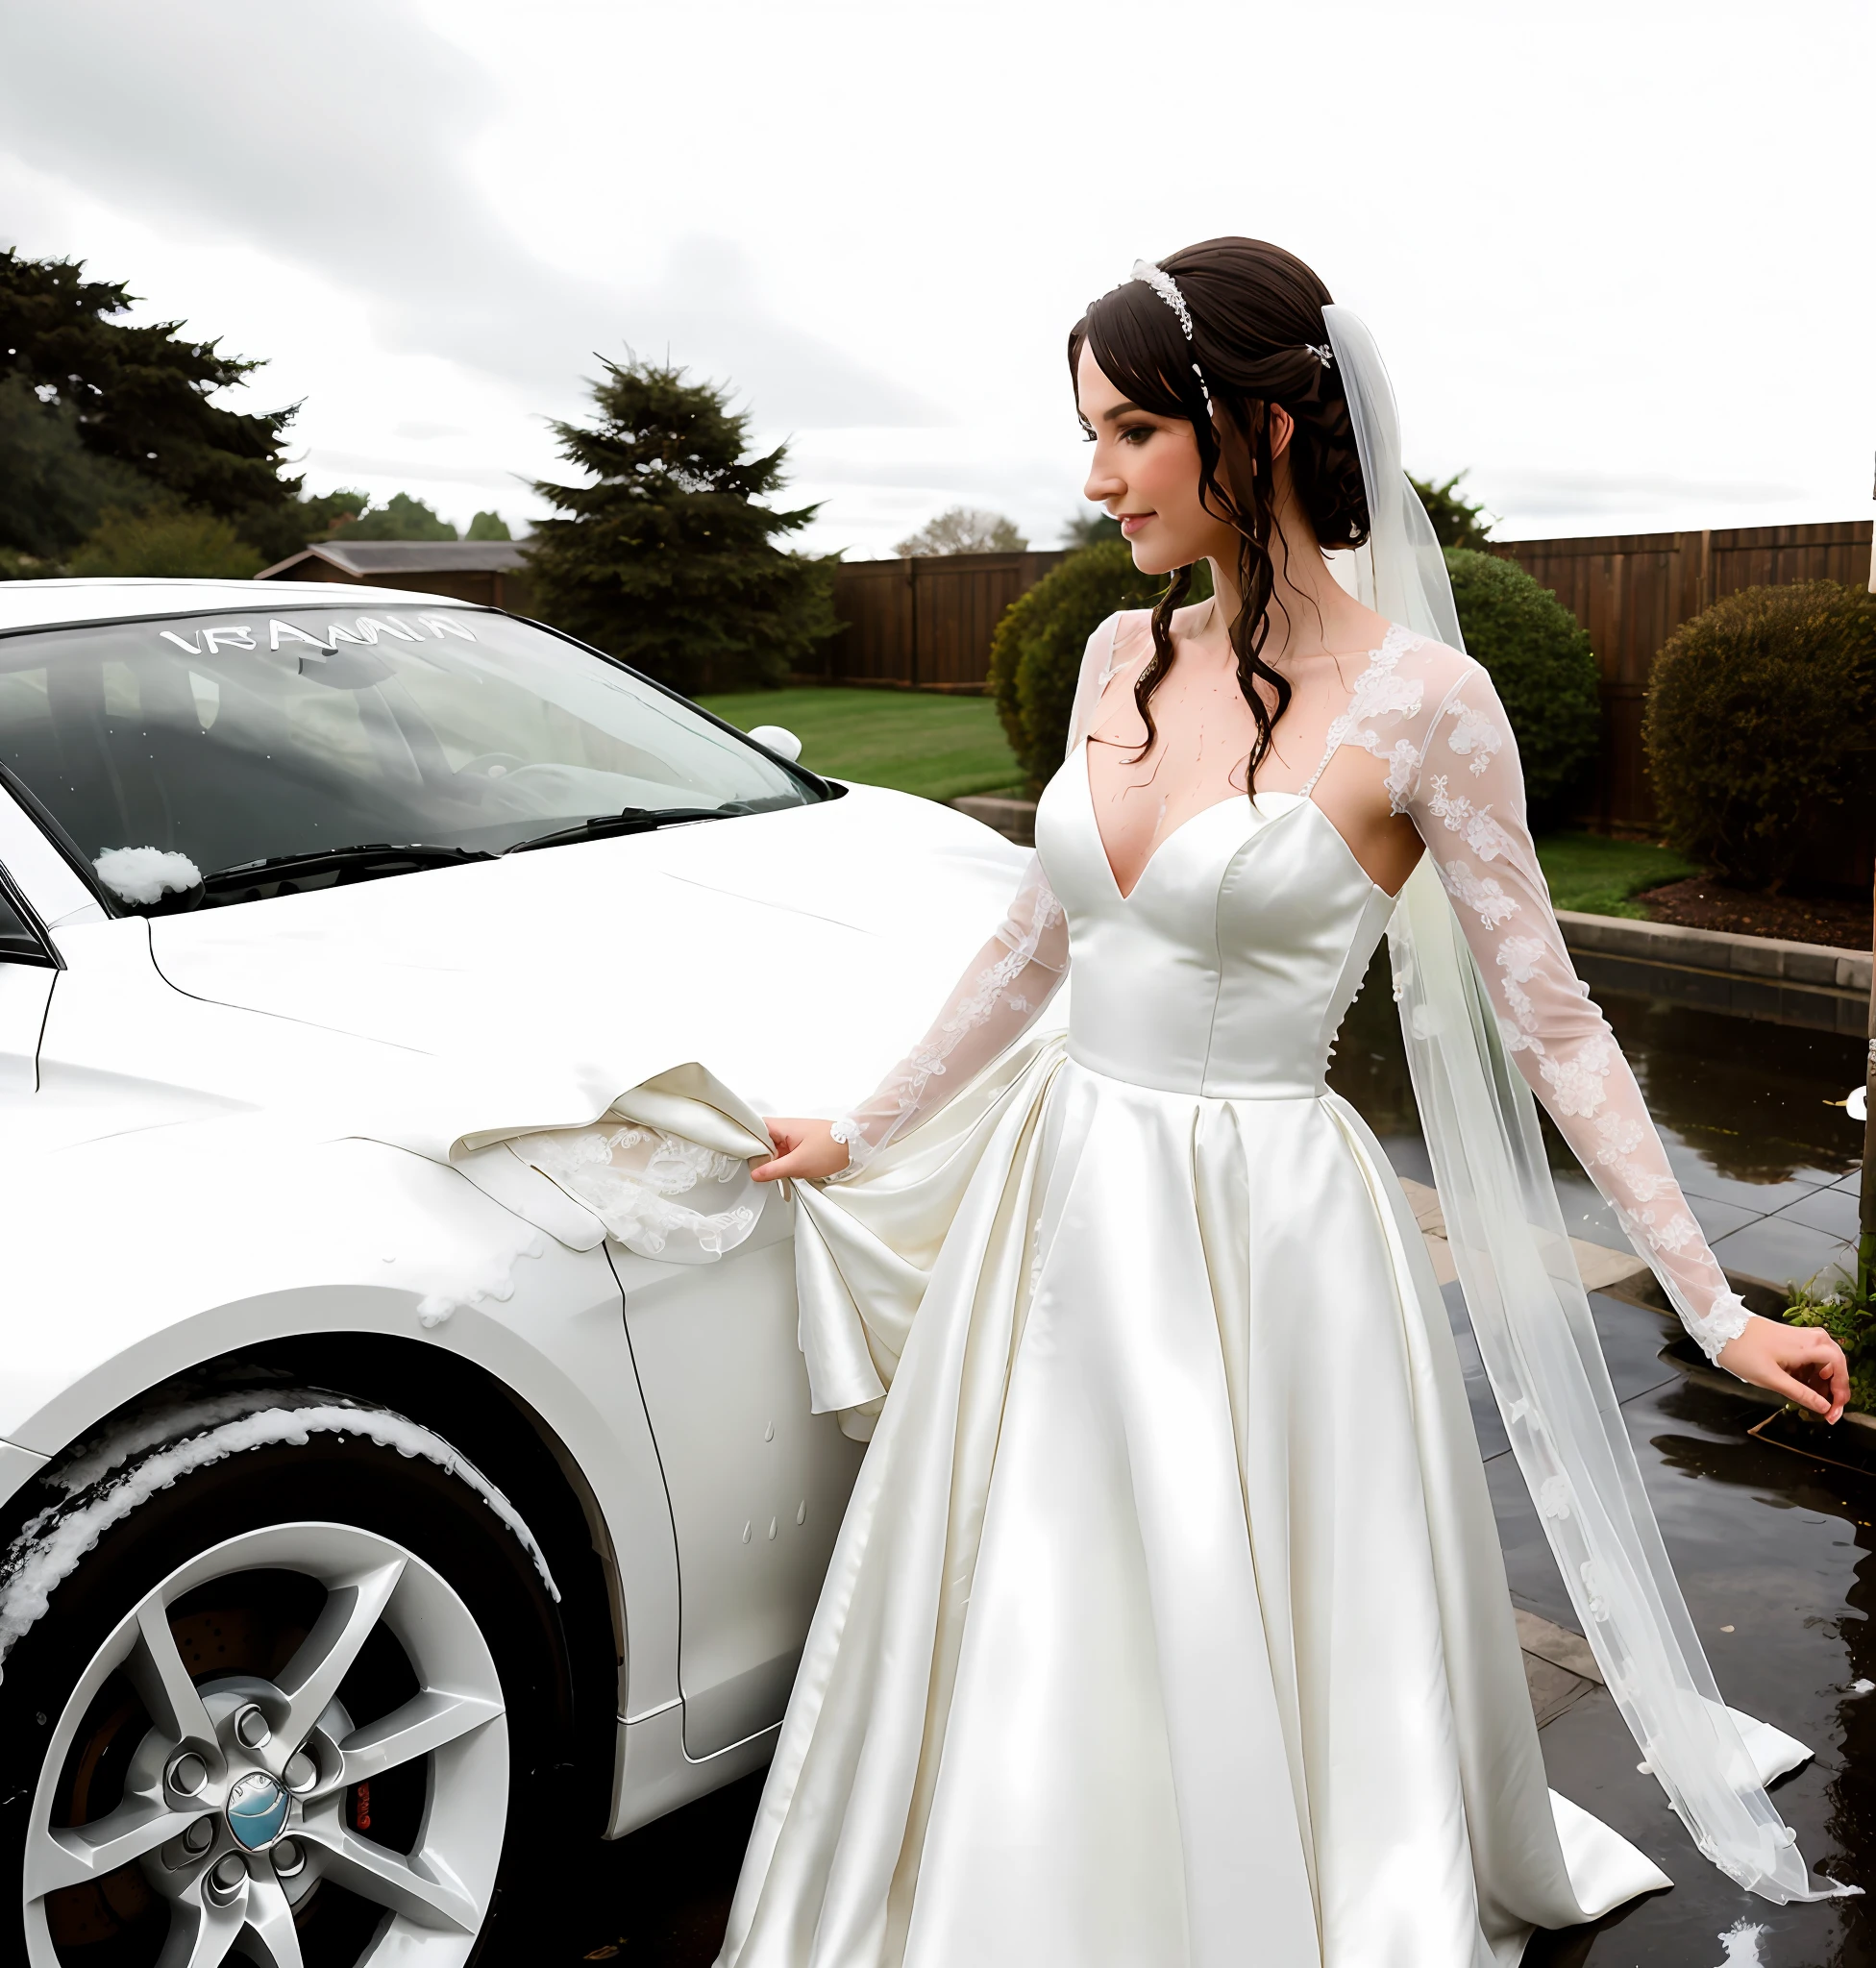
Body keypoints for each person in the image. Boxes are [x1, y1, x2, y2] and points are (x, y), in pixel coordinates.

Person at [716, 238, 1852, 1967]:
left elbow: (1554, 1027)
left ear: (1248, 426)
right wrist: (861, 1132)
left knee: (1240, 1596)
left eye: (1127, 434)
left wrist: (1711, 1305)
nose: (1094, 479)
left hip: (1267, 1239)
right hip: (1061, 1194)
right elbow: (1036, 945)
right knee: (1041, 1594)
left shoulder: (1428, 704)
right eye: (1085, 435)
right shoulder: (1109, 657)